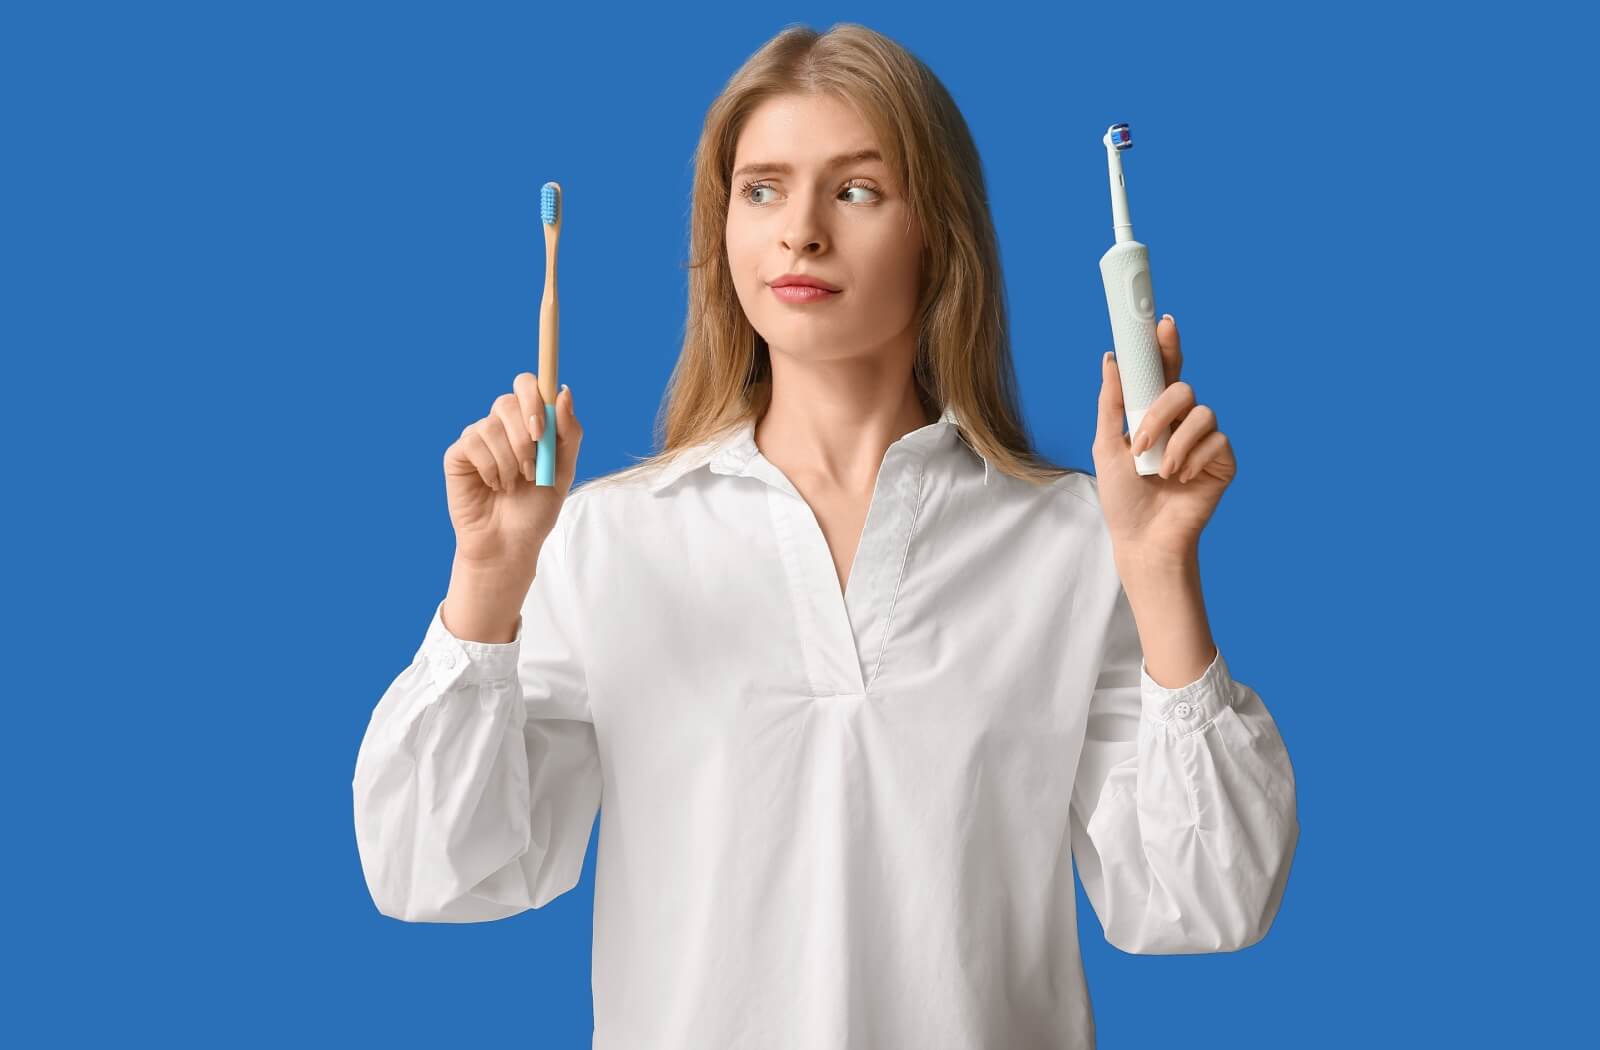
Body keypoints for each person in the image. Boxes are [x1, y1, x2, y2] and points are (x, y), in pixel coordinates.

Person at [351, 21, 1298, 1050]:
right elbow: (431, 871)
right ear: (722, 230)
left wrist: (1159, 570)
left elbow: (1208, 902)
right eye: (760, 189)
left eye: (854, 190)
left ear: (938, 231)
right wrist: (487, 585)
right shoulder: (605, 541)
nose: (798, 231)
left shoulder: (1073, 541)